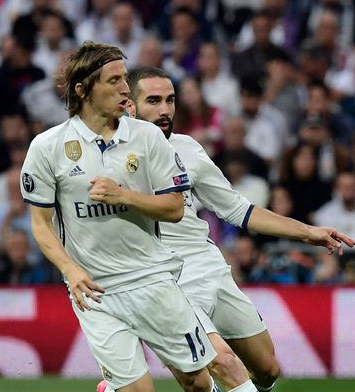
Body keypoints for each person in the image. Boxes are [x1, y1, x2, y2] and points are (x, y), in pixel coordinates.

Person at [119, 66, 355, 392]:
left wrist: (308, 232)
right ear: (129, 105)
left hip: (208, 267)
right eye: (154, 100)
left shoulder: (188, 149)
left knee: (266, 370)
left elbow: (238, 209)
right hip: (165, 278)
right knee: (224, 363)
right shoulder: (110, 155)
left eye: (170, 100)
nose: (164, 110)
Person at [21, 42, 219, 392]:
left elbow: (175, 209)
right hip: (95, 291)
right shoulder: (48, 147)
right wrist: (70, 270)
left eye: (125, 78)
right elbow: (41, 224)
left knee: (198, 383)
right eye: (113, 80)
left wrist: (123, 195)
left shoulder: (148, 138)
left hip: (152, 279)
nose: (125, 88)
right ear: (83, 90)